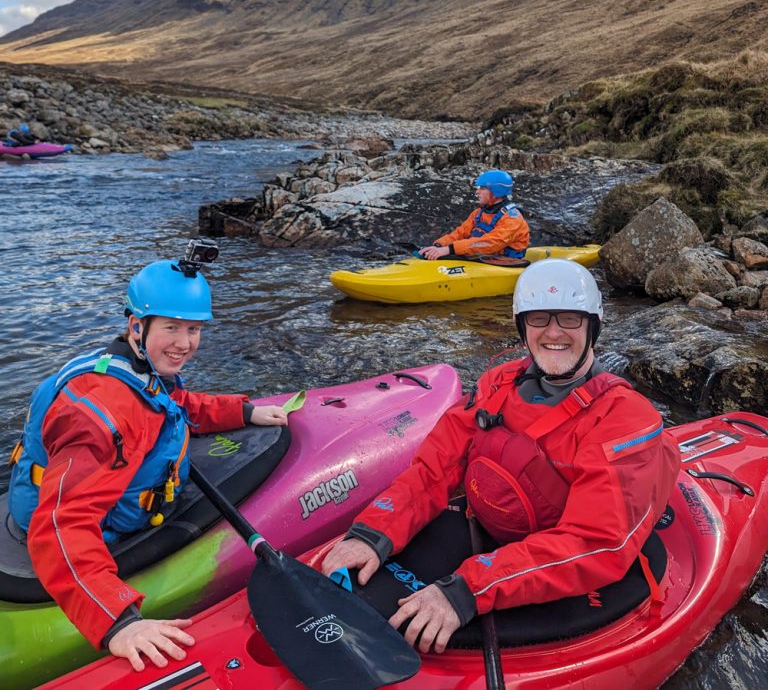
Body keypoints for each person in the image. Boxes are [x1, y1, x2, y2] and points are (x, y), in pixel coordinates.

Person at [321, 258, 681, 654]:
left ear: (592, 326)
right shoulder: (499, 381)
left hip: (572, 565)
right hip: (499, 528)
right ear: (522, 327)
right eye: (539, 318)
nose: (554, 332)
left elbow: (594, 544)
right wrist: (375, 532)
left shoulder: (624, 417)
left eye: (570, 319)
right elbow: (435, 468)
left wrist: (470, 589)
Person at [8, 248, 288, 672]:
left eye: (194, 329)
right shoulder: (101, 417)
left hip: (100, 492)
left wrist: (242, 411)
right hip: (84, 525)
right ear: (137, 326)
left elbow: (175, 405)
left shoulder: (135, 367)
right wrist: (118, 623)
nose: (185, 344)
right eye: (172, 327)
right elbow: (60, 527)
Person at [418, 169, 530, 264]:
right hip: (485, 259)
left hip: (507, 263)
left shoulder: (512, 218)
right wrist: (439, 245)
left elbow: (491, 243)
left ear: (496, 191)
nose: (477, 192)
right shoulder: (478, 213)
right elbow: (460, 233)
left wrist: (450, 249)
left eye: (482, 188)